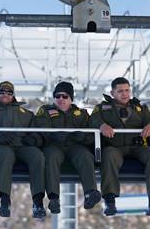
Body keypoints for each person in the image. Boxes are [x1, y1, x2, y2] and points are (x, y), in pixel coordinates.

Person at [89, 77, 150, 217]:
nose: (125, 94)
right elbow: (93, 119)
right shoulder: (102, 108)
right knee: (109, 155)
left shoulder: (140, 108)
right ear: (113, 93)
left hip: (136, 146)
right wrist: (102, 125)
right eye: (120, 91)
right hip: (115, 146)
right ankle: (110, 200)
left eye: (127, 90)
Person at [0, 81, 46, 218]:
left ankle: (38, 202)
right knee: (6, 155)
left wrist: (31, 140)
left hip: (21, 146)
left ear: (13, 95)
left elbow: (37, 133)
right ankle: (4, 200)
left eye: (9, 92)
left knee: (37, 156)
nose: (6, 95)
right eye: (2, 92)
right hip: (0, 146)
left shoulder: (25, 114)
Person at [35, 81, 101, 214]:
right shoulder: (46, 111)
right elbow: (42, 128)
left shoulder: (81, 114)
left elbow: (90, 133)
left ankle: (90, 192)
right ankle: (54, 198)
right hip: (54, 145)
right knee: (51, 156)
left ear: (71, 98)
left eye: (65, 96)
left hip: (74, 145)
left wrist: (81, 136)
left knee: (85, 155)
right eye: (58, 96)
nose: (61, 99)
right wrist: (55, 134)